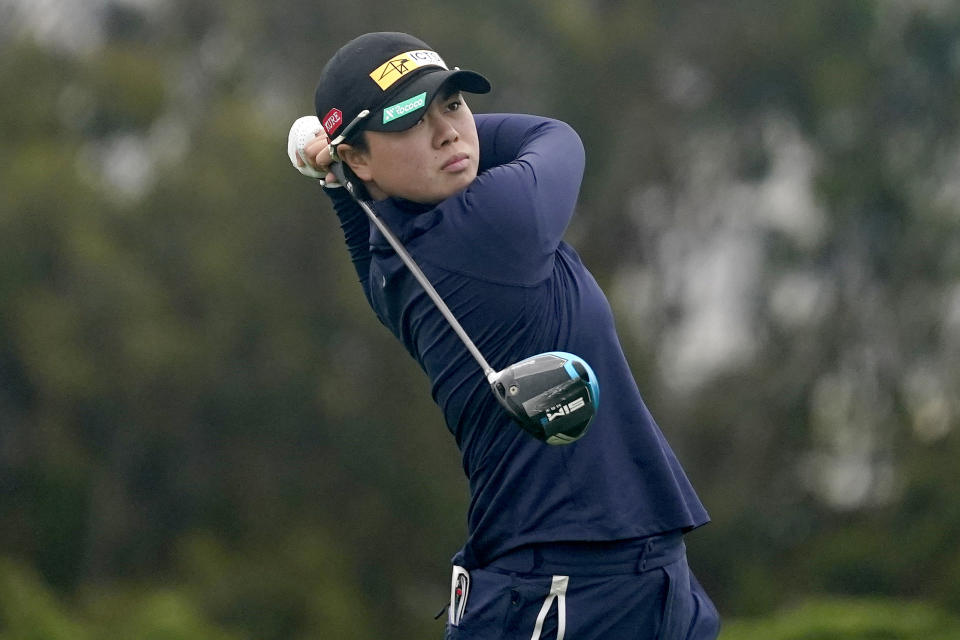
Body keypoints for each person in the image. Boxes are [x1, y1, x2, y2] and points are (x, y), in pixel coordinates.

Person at [289, 31, 720, 640]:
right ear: (359, 156)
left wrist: (338, 170)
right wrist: (336, 159)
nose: (448, 132)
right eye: (412, 120)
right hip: (568, 592)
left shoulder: (395, 264)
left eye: (453, 104)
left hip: (609, 578)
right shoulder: (494, 224)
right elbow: (554, 136)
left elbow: (362, 210)